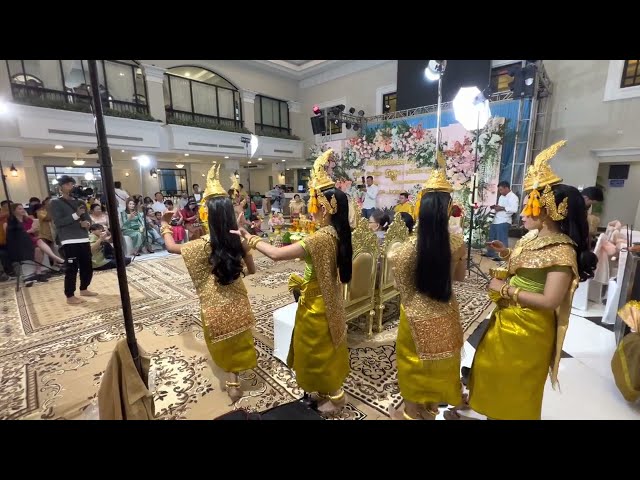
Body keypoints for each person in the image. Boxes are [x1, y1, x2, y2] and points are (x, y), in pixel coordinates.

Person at [449, 140, 598, 420]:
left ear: (547, 211)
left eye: (530, 205)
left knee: (515, 378)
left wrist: (505, 288)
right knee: (489, 365)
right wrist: (505, 253)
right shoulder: (531, 238)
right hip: (506, 317)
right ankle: (480, 404)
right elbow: (527, 265)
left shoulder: (562, 250)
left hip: (530, 327)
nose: (523, 212)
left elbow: (550, 299)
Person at [230, 149, 353, 414]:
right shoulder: (338, 232)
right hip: (328, 298)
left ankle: (337, 397)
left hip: (317, 304)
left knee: (318, 350)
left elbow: (275, 255)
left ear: (326, 207)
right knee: (324, 347)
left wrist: (249, 237)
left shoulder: (320, 238)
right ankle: (326, 391)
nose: (312, 209)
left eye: (314, 203)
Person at [160, 163, 257, 402]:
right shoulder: (238, 240)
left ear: (207, 214)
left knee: (222, 340)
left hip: (213, 304)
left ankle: (232, 382)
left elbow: (172, 247)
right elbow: (252, 270)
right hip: (238, 300)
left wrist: (165, 225)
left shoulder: (200, 245)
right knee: (239, 338)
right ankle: (236, 376)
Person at [388, 167, 467, 420]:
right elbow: (459, 278)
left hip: (414, 317)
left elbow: (401, 286)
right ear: (448, 210)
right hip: (446, 311)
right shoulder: (456, 243)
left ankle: (413, 413)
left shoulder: (406, 249)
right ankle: (431, 411)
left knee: (414, 369)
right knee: (438, 368)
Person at [49, 175, 97, 305]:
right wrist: (76, 215)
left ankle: (84, 288)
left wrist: (87, 223)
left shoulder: (80, 202)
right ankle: (69, 295)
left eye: (72, 184)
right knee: (72, 268)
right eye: (68, 184)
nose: (71, 187)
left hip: (83, 238)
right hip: (68, 240)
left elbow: (88, 218)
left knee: (87, 265)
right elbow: (58, 222)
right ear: (60, 188)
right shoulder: (55, 203)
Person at [486, 181, 519, 261]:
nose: (500, 192)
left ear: (506, 188)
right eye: (499, 190)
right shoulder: (501, 196)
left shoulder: (513, 197)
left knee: (501, 239)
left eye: (501, 190)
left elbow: (514, 209)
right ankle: (490, 253)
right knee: (492, 237)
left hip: (504, 220)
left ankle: (502, 256)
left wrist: (501, 208)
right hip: (496, 219)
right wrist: (495, 207)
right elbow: (500, 207)